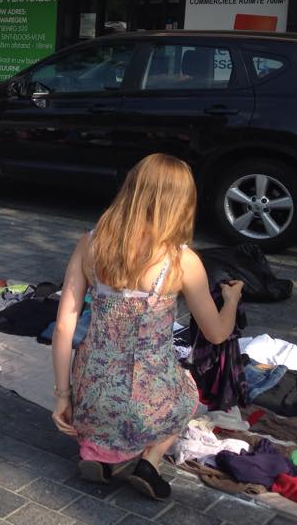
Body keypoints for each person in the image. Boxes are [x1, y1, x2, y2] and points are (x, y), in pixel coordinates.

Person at [50, 153, 243, 500]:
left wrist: (63, 396)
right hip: (146, 393)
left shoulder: (91, 243)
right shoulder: (182, 260)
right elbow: (217, 333)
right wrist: (230, 301)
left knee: (107, 407)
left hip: (91, 390)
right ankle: (150, 461)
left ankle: (99, 456)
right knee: (185, 390)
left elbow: (64, 327)